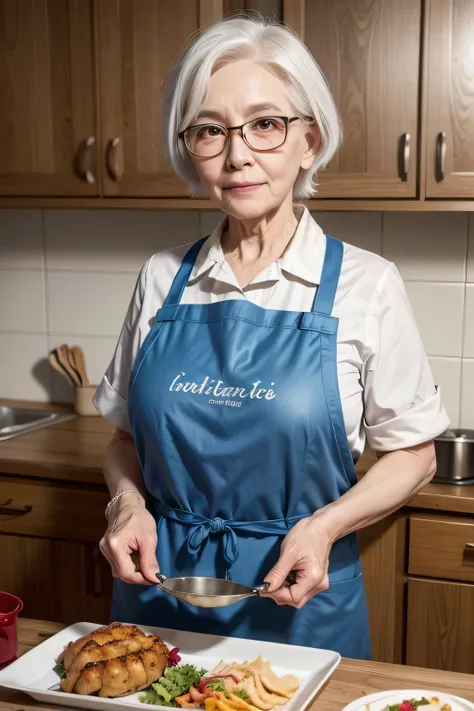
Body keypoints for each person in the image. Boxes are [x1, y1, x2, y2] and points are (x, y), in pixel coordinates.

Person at [93, 13, 449, 659]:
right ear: (189, 150)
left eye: (265, 123)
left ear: (308, 140)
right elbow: (123, 441)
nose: (237, 155)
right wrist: (126, 506)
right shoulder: (161, 277)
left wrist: (325, 527)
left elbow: (415, 454)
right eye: (209, 130)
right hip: (160, 584)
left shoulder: (366, 284)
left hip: (298, 589)